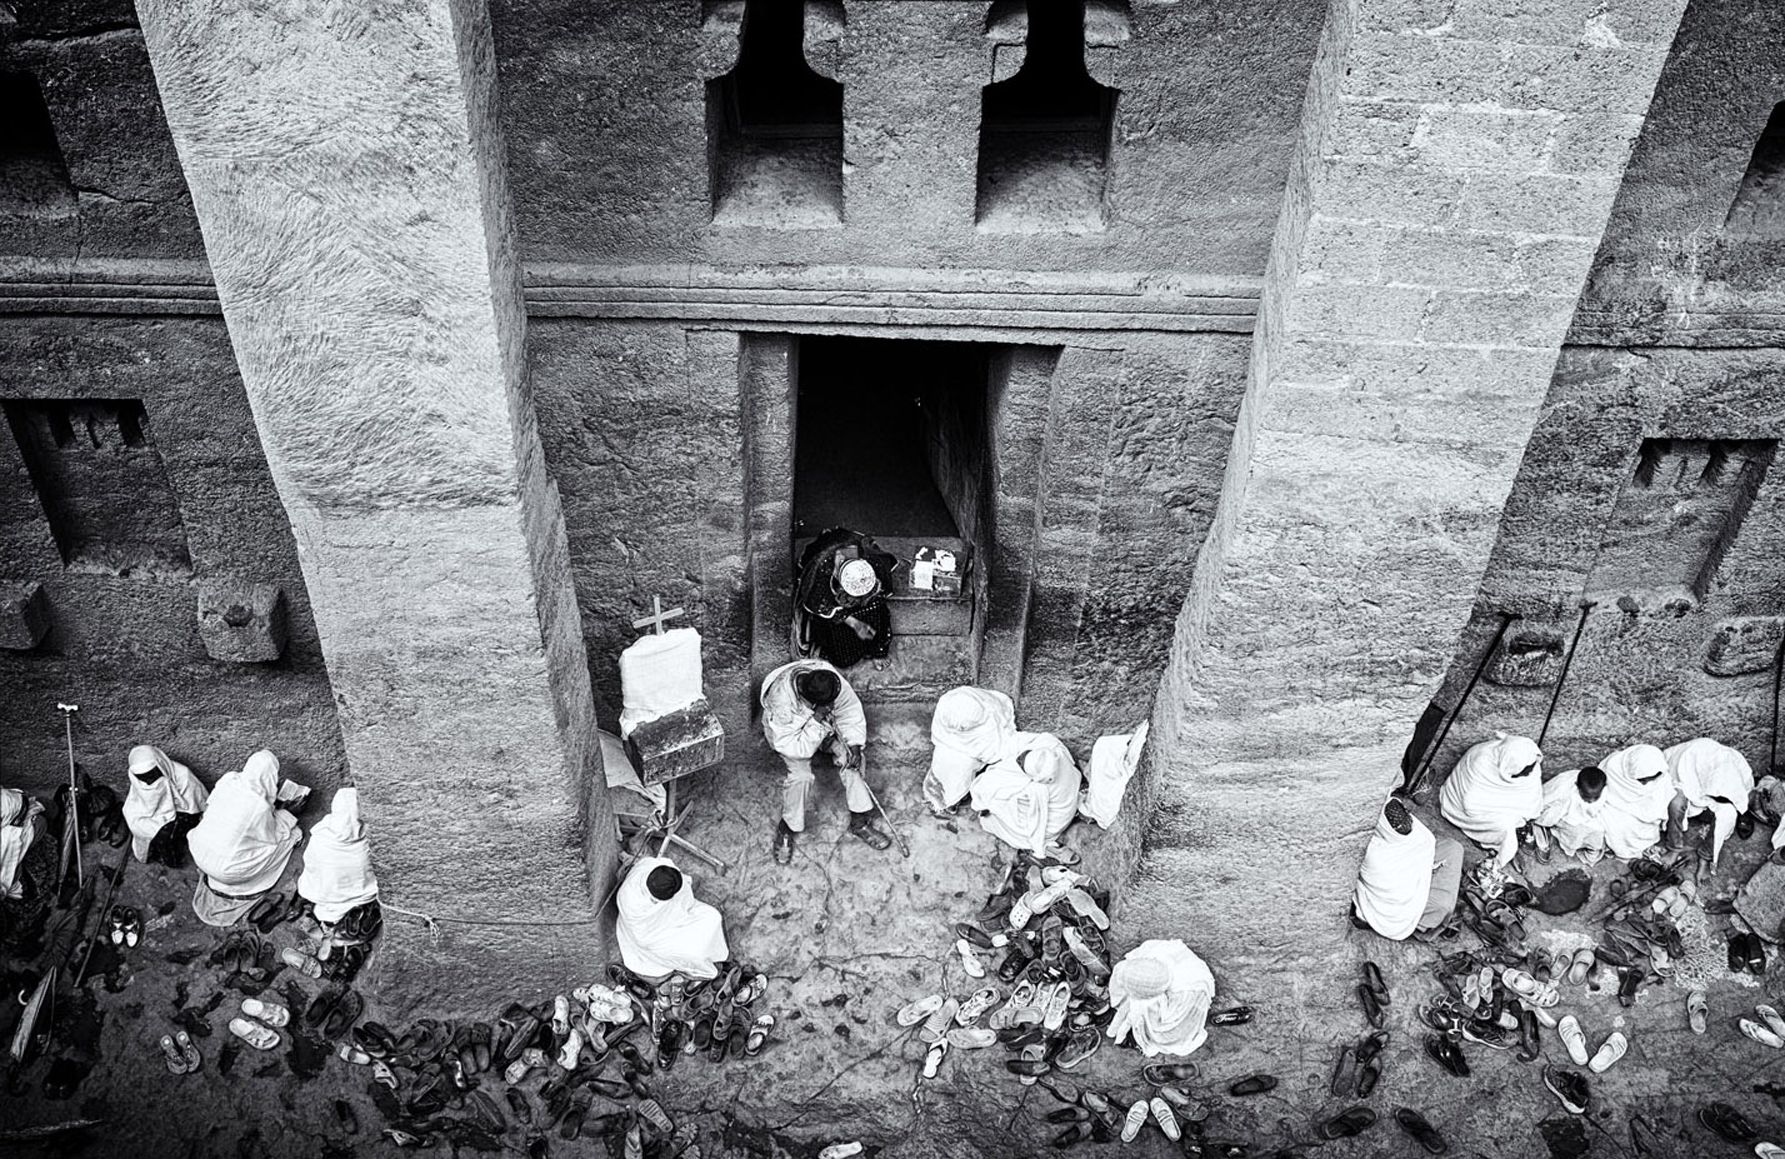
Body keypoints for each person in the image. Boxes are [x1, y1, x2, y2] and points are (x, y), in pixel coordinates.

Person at [759, 658, 892, 863]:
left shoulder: (828, 677)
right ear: (813, 702)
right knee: (801, 777)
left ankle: (859, 821)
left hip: (821, 727)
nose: (833, 705)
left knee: (852, 760)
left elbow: (849, 711)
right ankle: (788, 827)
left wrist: (854, 745)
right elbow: (796, 748)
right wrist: (817, 721)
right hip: (791, 739)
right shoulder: (781, 702)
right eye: (828, 705)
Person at [187, 750, 308, 926]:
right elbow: (270, 838)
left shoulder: (228, 781)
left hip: (199, 851)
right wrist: (289, 813)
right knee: (294, 834)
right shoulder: (257, 806)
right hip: (228, 871)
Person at [1352, 797, 1462, 940]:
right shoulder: (1374, 850)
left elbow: (1424, 849)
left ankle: (1424, 918)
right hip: (1396, 900)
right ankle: (1424, 921)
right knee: (1441, 905)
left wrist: (1422, 868)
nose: (1410, 823)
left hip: (1407, 886)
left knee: (1453, 848)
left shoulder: (1412, 833)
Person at [792, 527, 897, 669]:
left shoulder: (871, 560)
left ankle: (878, 650)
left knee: (879, 610)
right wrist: (854, 623)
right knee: (838, 644)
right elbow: (820, 604)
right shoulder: (821, 570)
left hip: (857, 580)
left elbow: (881, 590)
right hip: (834, 604)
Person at [969, 731, 1082, 860]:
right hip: (1069, 802)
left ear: (1035, 778)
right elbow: (1019, 740)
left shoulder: (1036, 790)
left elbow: (1035, 822)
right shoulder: (1053, 747)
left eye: (1022, 766)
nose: (1020, 760)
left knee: (991, 817)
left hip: (1053, 823)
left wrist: (986, 805)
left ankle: (1047, 848)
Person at [614, 856, 730, 981]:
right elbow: (643, 938)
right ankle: (701, 970)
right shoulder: (630, 900)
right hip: (654, 936)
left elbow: (684, 897)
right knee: (695, 953)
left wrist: (676, 914)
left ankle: (718, 955)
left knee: (714, 917)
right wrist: (671, 921)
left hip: (677, 916)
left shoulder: (656, 866)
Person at [1438, 732, 1542, 868]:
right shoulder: (1481, 761)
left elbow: (1531, 793)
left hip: (1499, 804)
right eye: (1525, 770)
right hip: (1461, 807)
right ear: (1509, 765)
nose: (1529, 772)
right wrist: (1511, 813)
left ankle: (1514, 831)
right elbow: (1471, 807)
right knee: (1505, 825)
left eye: (1530, 767)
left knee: (1530, 791)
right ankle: (1488, 840)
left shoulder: (1528, 763)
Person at [1106, 939, 1216, 1057]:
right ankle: (1120, 1029)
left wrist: (1145, 1013)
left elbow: (1171, 1023)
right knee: (1139, 1005)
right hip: (1162, 988)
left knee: (1149, 1017)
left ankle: (1130, 1033)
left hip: (1181, 1005)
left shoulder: (1185, 995)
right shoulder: (1157, 955)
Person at [926, 686, 1016, 816]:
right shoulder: (949, 703)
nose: (960, 728)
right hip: (946, 744)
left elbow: (993, 750)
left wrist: (972, 754)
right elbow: (939, 731)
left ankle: (953, 799)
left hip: (965, 756)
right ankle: (942, 797)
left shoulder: (989, 718)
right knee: (941, 767)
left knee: (960, 777)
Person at [1665, 738, 1755, 868]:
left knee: (1728, 814)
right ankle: (1674, 848)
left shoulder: (1738, 768)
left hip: (1712, 794)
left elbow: (1741, 797)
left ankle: (1705, 855)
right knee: (1676, 803)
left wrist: (1705, 861)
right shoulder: (1688, 759)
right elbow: (1670, 781)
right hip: (1686, 781)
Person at [295, 787, 378, 925]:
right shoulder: (365, 845)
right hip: (358, 893)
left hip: (323, 890)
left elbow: (310, 865)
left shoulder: (320, 836)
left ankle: (326, 899)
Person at [123, 744, 210, 865]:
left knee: (164, 836)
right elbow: (136, 804)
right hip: (156, 813)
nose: (149, 780)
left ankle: (172, 860)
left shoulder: (183, 776)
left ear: (161, 765)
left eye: (151, 774)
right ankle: (152, 851)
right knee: (137, 823)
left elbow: (196, 803)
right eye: (143, 777)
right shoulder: (139, 782)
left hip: (184, 813)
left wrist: (167, 821)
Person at [1599, 742, 1674, 860]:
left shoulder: (1659, 771)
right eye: (1642, 780)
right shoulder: (1613, 767)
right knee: (1618, 826)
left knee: (1650, 821)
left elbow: (1663, 794)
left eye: (1650, 780)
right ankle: (1626, 851)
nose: (1645, 784)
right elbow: (1606, 794)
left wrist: (1650, 811)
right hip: (1618, 805)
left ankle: (1644, 845)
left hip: (1645, 807)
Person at [1532, 766, 1610, 865]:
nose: (1591, 801)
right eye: (1586, 797)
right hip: (1565, 815)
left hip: (1593, 819)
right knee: (1578, 834)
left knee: (1598, 835)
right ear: (1577, 786)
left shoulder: (1605, 790)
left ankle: (1588, 848)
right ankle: (1543, 833)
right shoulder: (1564, 786)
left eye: (1595, 797)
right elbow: (1543, 801)